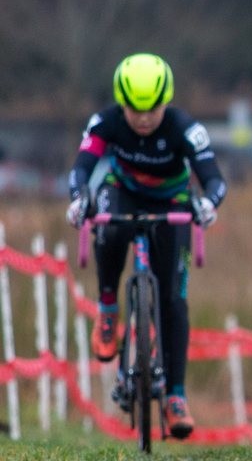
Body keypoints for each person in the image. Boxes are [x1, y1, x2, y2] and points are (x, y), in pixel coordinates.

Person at [65, 53, 227, 439]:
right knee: (111, 226)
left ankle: (175, 395)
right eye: (134, 110)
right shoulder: (105, 122)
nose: (142, 118)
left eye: (151, 109)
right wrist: (77, 197)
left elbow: (214, 179)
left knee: (173, 298)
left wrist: (208, 204)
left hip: (172, 200)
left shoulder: (185, 128)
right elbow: (82, 167)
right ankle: (108, 309)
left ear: (165, 101)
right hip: (122, 192)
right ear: (122, 103)